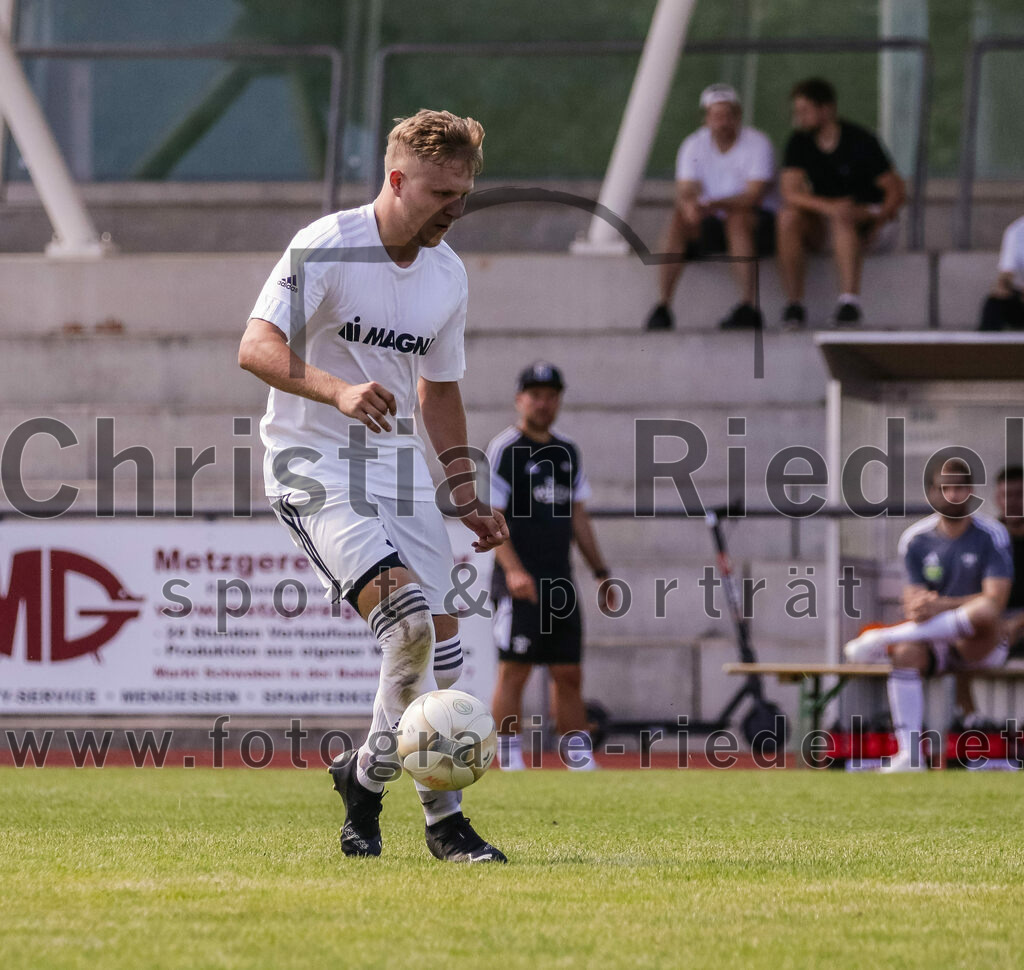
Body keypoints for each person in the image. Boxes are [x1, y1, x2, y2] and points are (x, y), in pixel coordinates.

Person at [239, 109, 510, 862]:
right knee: (409, 627)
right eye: (440, 194)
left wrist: (464, 494)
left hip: (395, 468)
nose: (454, 209)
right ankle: (445, 825)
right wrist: (338, 390)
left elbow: (439, 390)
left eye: (463, 195)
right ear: (396, 180)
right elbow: (255, 345)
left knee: (445, 654)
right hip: (313, 461)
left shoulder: (448, 274)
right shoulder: (329, 244)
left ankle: (364, 780)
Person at [844, 457, 1013, 771]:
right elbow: (915, 602)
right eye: (944, 488)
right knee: (905, 653)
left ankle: (883, 636)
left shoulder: (992, 534)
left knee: (985, 610)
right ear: (931, 492)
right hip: (937, 643)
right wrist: (924, 607)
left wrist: (941, 605)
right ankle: (910, 755)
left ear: (971, 491)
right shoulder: (916, 539)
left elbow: (995, 599)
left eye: (959, 488)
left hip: (980, 645)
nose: (952, 494)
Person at [486, 362, 615, 771]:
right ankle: (508, 754)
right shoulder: (506, 449)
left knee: (569, 672)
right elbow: (492, 516)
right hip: (519, 581)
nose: (544, 403)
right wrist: (513, 570)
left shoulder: (567, 452)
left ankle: (577, 753)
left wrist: (600, 571)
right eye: (536, 395)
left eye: (551, 396)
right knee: (515, 670)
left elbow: (578, 515)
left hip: (560, 581)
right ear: (519, 399)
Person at [644, 83, 776, 332]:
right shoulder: (693, 144)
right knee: (679, 219)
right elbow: (686, 188)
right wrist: (690, 204)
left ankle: (748, 305)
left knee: (737, 219)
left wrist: (713, 203)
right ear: (705, 118)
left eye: (727, 115)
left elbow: (753, 197)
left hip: (756, 225)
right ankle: (663, 305)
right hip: (711, 222)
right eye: (716, 116)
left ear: (738, 116)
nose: (722, 122)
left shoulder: (758, 143)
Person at [777, 77, 906, 330]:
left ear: (826, 109)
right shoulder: (799, 141)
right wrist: (830, 206)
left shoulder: (860, 139)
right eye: (797, 111)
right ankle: (794, 304)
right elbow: (790, 192)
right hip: (830, 218)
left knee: (843, 215)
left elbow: (895, 190)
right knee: (788, 217)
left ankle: (849, 303)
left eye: (805, 111)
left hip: (869, 216)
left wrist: (879, 221)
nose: (799, 118)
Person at [978, 217, 1024, 331]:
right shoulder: (1017, 230)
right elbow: (1005, 276)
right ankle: (987, 340)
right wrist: (1005, 287)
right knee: (995, 302)